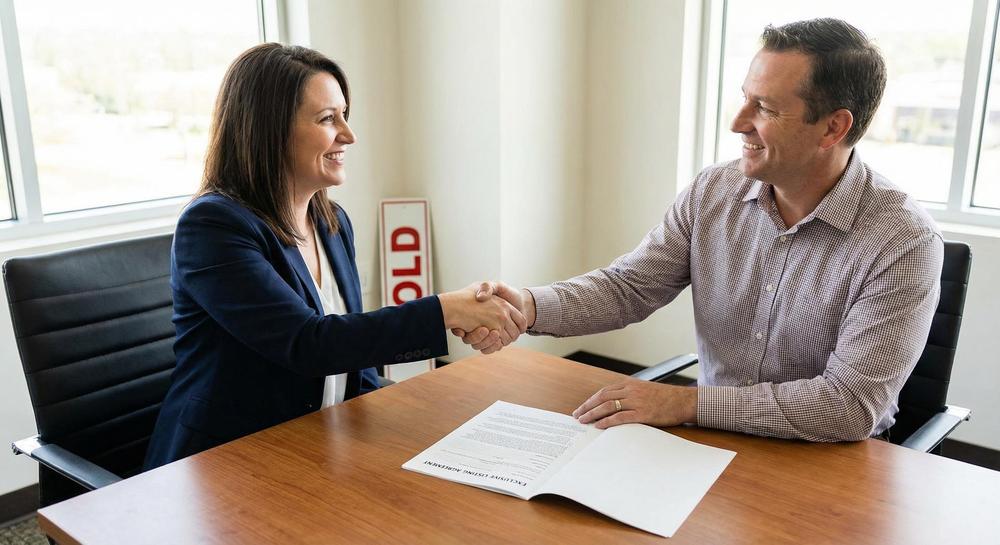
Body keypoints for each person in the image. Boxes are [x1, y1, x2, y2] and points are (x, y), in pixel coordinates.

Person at [457, 18, 943, 442]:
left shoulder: (903, 241)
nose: (737, 124)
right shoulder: (714, 191)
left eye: (766, 109)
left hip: (824, 459)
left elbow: (846, 406)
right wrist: (528, 305)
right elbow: (630, 287)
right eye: (744, 100)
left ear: (833, 128)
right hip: (708, 439)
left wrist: (682, 404)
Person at [145, 43, 525, 469]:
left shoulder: (332, 222)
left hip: (318, 444)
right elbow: (308, 344)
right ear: (269, 130)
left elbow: (351, 359)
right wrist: (444, 310)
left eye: (345, 115)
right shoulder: (213, 226)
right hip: (229, 461)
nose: (348, 134)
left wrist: (423, 426)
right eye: (328, 119)